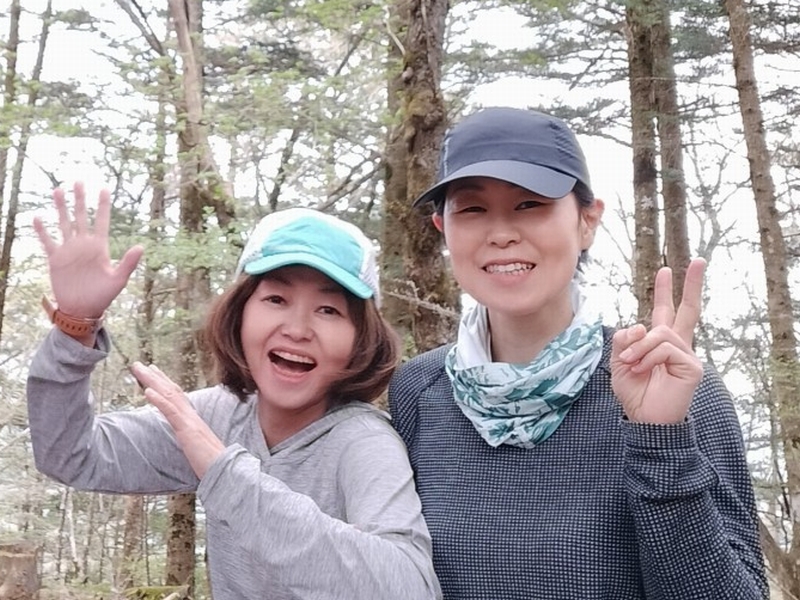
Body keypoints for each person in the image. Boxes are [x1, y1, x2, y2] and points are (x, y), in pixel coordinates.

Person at [388, 107, 768, 599]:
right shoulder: (420, 391)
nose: (501, 233)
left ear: (588, 221)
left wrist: (661, 441)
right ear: (443, 227)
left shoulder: (671, 387)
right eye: (473, 209)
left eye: (529, 204)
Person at [27, 183, 442, 600]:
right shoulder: (219, 415)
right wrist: (75, 327)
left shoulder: (362, 442)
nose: (297, 329)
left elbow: (410, 588)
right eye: (276, 299)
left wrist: (224, 473)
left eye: (328, 310)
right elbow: (73, 455)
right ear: (239, 314)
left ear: (361, 339)